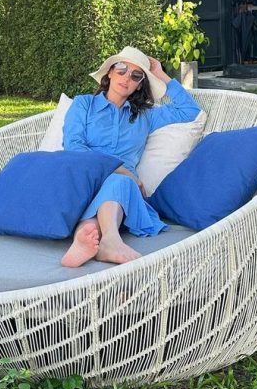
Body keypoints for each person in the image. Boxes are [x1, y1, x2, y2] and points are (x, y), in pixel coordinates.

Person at [60, 46, 200, 268]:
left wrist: (161, 74)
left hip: (122, 188)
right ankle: (108, 241)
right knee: (121, 178)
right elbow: (73, 146)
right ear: (109, 72)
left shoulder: (145, 116)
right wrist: (122, 169)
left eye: (136, 76)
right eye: (122, 69)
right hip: (85, 177)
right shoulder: (84, 104)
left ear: (139, 85)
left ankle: (89, 238)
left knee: (119, 182)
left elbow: (189, 110)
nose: (127, 78)